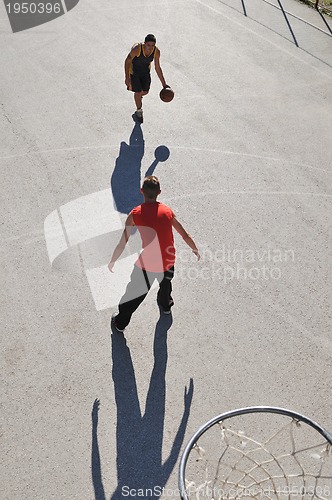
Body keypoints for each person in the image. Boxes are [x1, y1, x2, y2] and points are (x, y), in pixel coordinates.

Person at [108, 176, 200, 332]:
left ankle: (120, 322)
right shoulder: (167, 212)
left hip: (148, 264)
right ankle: (165, 305)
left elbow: (123, 241)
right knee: (166, 284)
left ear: (141, 191)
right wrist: (194, 249)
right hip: (168, 259)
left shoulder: (135, 214)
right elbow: (185, 235)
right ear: (159, 192)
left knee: (135, 293)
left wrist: (113, 260)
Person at [124, 34, 168, 122]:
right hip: (134, 72)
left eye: (153, 45)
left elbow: (157, 67)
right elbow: (127, 61)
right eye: (148, 45)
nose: (150, 48)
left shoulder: (156, 52)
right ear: (144, 43)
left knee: (145, 92)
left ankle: (138, 97)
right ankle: (139, 111)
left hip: (145, 72)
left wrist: (164, 84)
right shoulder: (137, 49)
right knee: (138, 92)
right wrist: (127, 77)